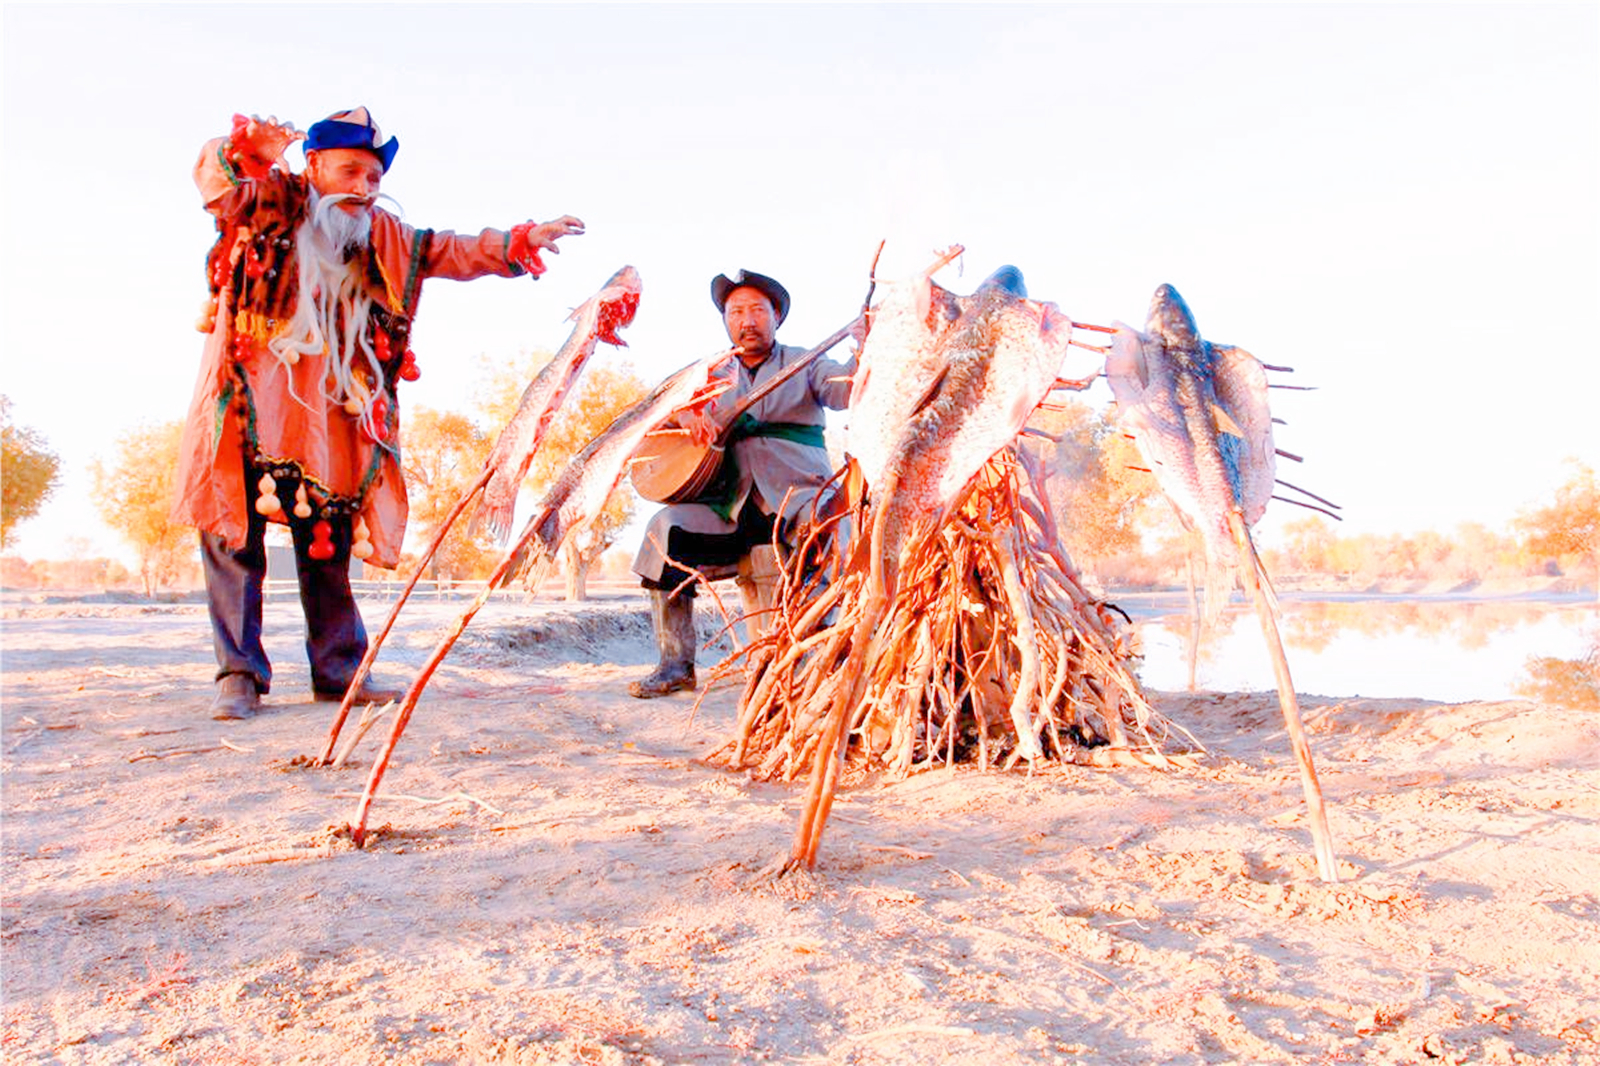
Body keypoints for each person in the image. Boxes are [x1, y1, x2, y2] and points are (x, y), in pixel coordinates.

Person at [172, 108, 585, 720]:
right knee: (235, 538)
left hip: (335, 420)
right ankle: (238, 676)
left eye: (372, 177)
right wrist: (247, 148)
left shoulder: (384, 234)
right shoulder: (270, 200)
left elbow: (450, 250)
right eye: (350, 172)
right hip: (250, 402)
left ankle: (339, 674)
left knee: (328, 541)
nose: (363, 188)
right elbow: (219, 180)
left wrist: (520, 242)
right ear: (312, 166)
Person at [629, 269, 856, 698]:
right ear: (726, 321)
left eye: (757, 310)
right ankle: (675, 663)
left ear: (776, 317)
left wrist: (865, 349)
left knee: (830, 525)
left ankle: (819, 656)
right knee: (665, 529)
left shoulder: (806, 361)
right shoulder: (709, 374)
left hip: (798, 495)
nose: (746, 320)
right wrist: (685, 414)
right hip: (730, 506)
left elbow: (844, 391)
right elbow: (659, 413)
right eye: (736, 312)